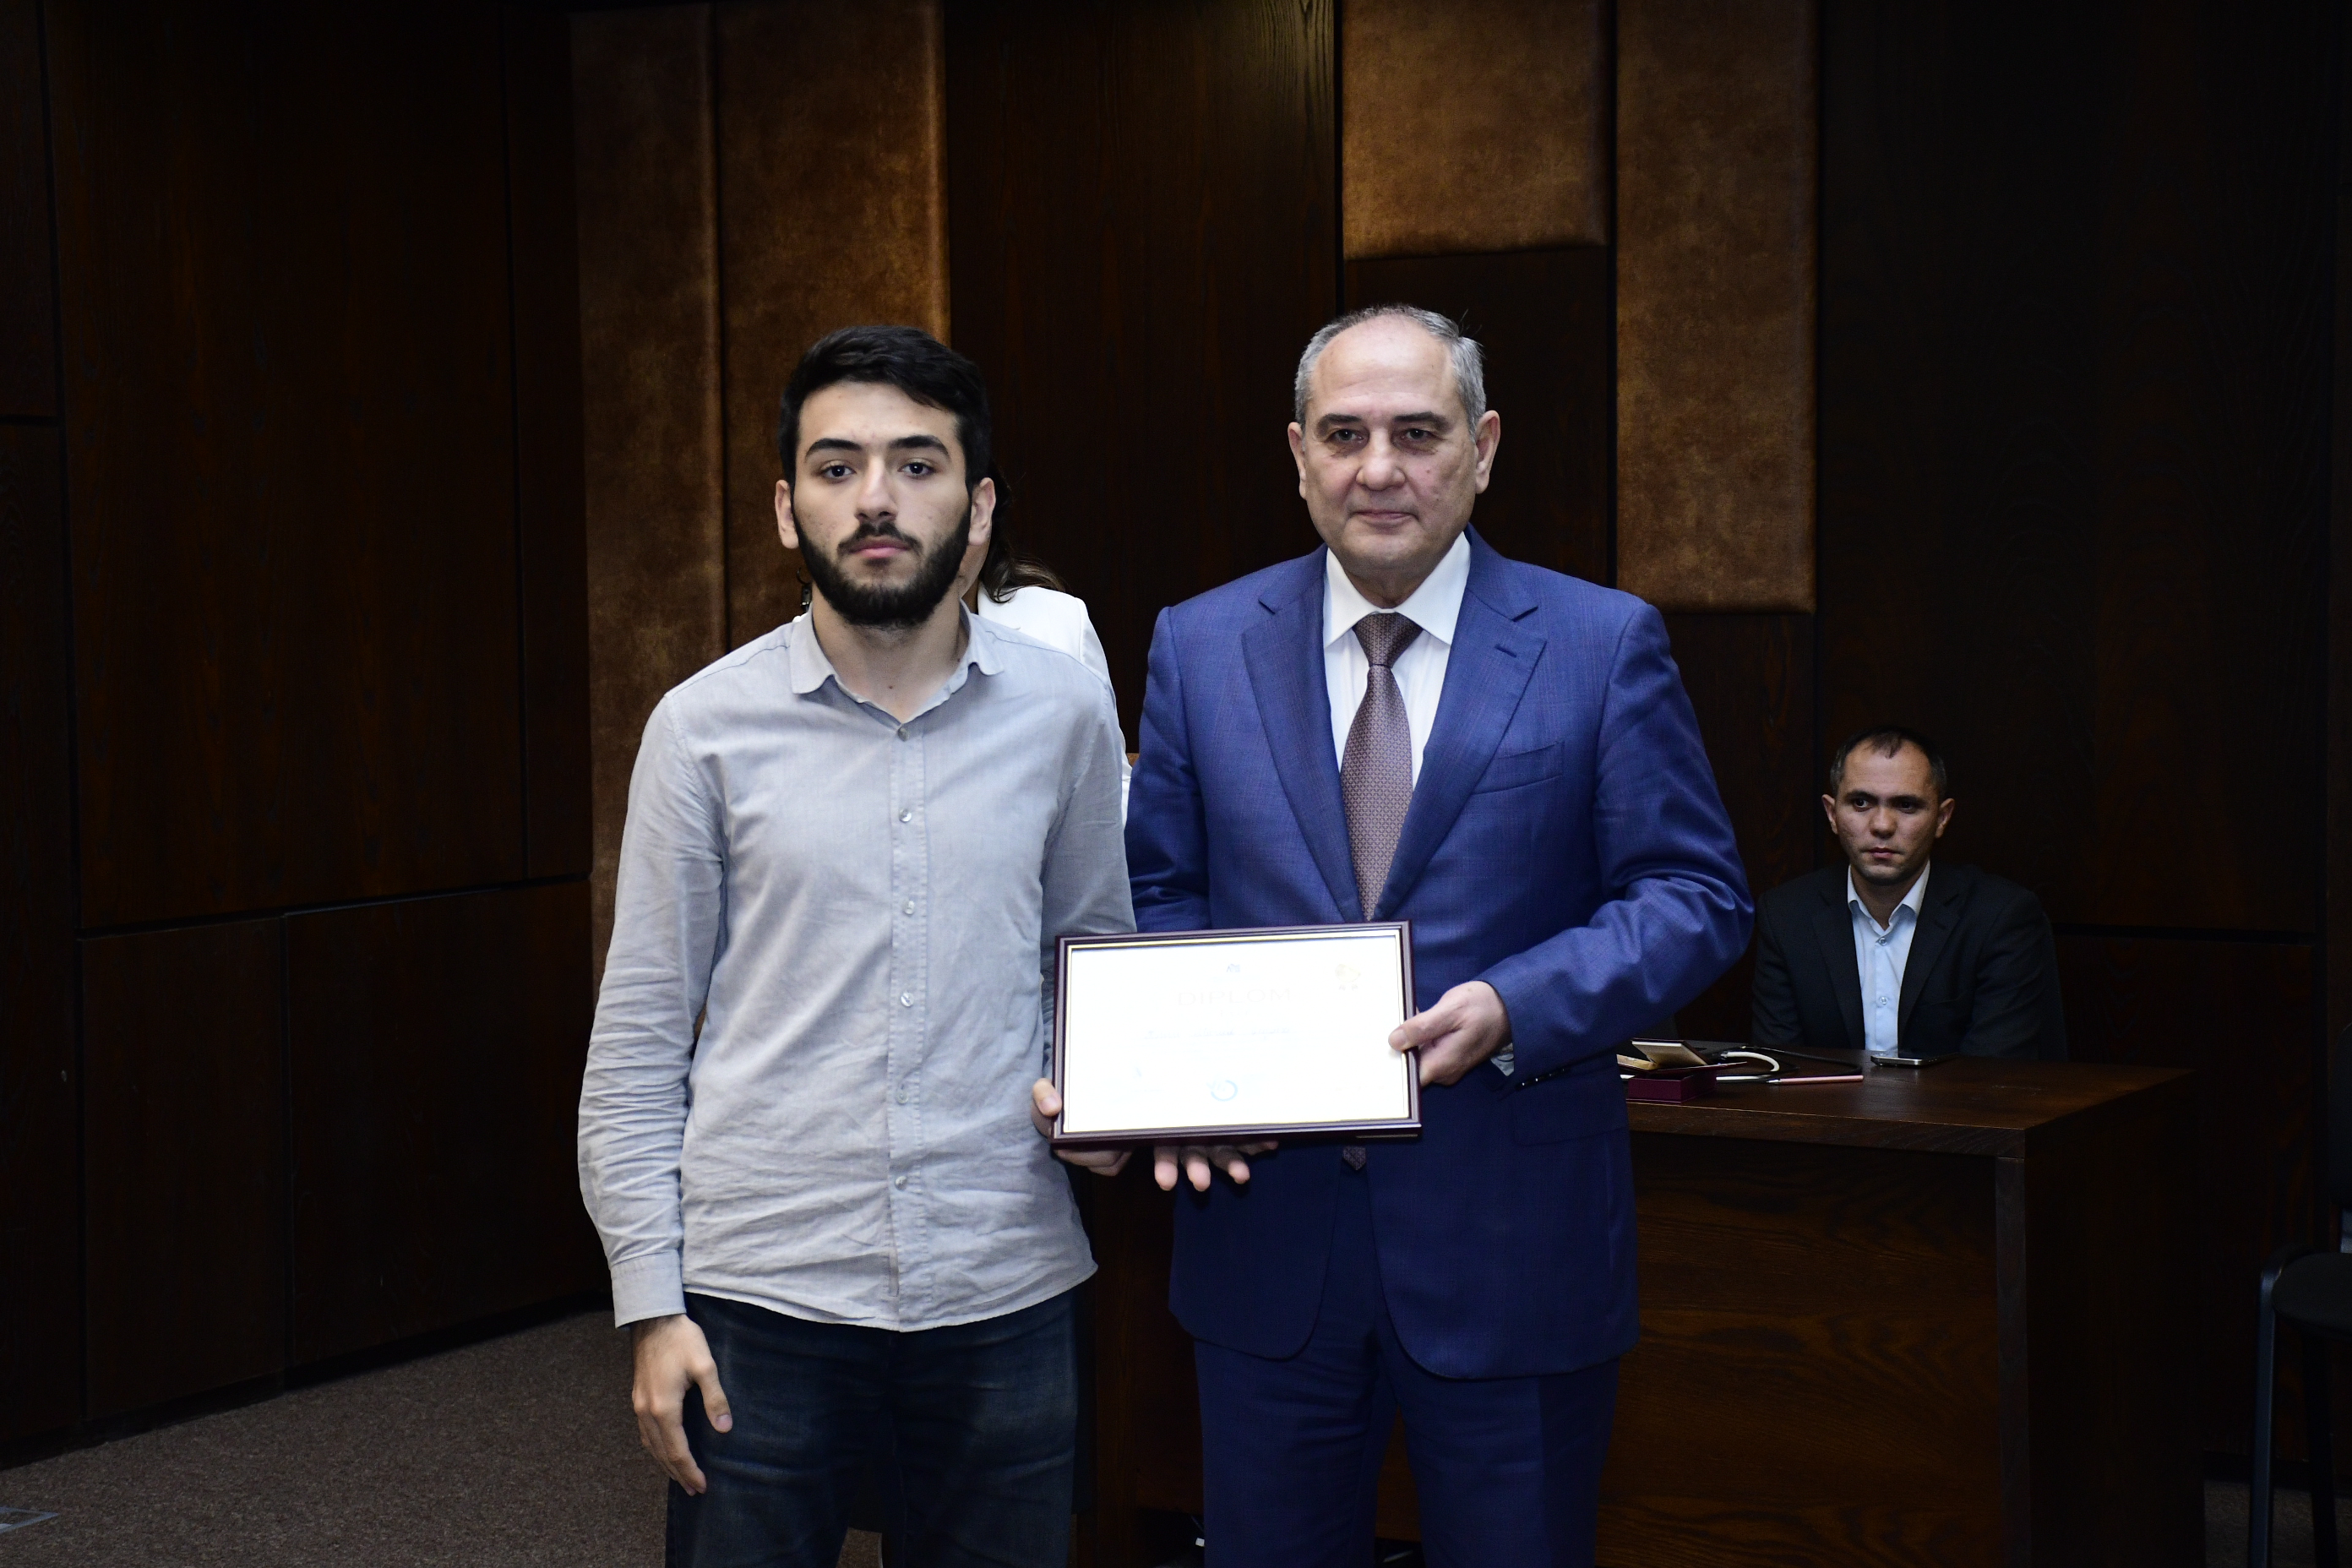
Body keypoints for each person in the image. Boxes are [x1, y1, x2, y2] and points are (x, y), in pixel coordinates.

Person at [1104, 304, 1752, 1566]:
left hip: (1514, 1246)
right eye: (1345, 435)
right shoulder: (1200, 641)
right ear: (1298, 454)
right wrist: (1176, 1072)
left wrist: (1520, 1004)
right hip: (1265, 1245)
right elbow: (1161, 892)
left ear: (1484, 447)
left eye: (1417, 432)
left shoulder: (1600, 642)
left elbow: (1694, 893)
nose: (1379, 468)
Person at [577, 324, 1133, 1568]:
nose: (876, 498)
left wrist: (1110, 1097)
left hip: (1004, 1282)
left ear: (977, 508)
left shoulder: (1065, 714)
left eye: (917, 464)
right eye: (837, 467)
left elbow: (1091, 962)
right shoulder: (701, 729)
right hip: (764, 1296)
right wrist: (652, 1303)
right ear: (788, 509)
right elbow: (639, 1044)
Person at [1750, 726, 2066, 1060]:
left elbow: (1993, 1073)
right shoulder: (1786, 916)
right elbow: (1779, 1065)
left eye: (1906, 805)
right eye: (1861, 803)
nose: (1882, 825)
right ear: (1832, 814)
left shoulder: (1999, 917)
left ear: (1942, 818)